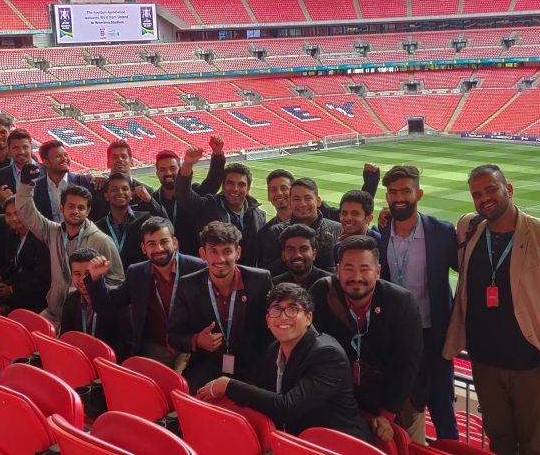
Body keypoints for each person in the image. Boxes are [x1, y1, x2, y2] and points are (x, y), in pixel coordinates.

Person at [443, 164, 540, 455]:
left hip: (531, 366)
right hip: (484, 362)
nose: (484, 198)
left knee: (535, 446)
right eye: (477, 194)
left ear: (508, 189)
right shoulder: (469, 227)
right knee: (500, 442)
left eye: (491, 189)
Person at [196, 282, 372, 442]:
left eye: (293, 309)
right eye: (276, 310)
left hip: (341, 443)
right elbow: (261, 391)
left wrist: (226, 385)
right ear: (267, 321)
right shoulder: (274, 349)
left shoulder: (327, 355)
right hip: (298, 439)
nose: (283, 317)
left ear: (309, 317)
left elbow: (286, 408)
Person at [309, 235, 423, 444]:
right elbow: (314, 352)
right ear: (338, 270)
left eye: (364, 269)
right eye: (349, 268)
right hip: (345, 399)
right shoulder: (322, 292)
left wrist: (387, 414)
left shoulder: (401, 302)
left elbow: (407, 363)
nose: (356, 276)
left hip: (395, 398)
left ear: (378, 271)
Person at [378, 165, 458, 441]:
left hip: (433, 333)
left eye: (405, 191)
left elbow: (468, 270)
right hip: (395, 335)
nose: (398, 197)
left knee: (441, 404)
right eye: (392, 192)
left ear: (419, 193)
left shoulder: (442, 232)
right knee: (397, 401)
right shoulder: (383, 233)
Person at [14, 163, 123, 329]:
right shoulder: (52, 232)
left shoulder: (103, 241)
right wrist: (25, 185)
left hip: (84, 317)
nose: (76, 211)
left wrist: (93, 289)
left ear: (88, 211)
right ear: (62, 208)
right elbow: (26, 212)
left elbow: (118, 281)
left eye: (81, 207)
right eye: (71, 206)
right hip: (53, 312)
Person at [86, 217, 206, 367]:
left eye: (164, 242)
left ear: (174, 242)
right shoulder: (136, 273)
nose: (159, 249)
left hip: (191, 348)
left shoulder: (199, 268)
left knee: (185, 386)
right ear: (143, 248)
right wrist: (96, 278)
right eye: (151, 244)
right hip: (155, 349)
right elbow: (108, 305)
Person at [168, 221, 272, 392]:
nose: (220, 259)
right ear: (203, 254)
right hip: (208, 363)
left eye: (227, 251)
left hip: (251, 366)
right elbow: (174, 335)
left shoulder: (260, 281)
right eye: (213, 252)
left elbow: (269, 335)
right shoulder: (188, 285)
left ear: (237, 253)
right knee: (189, 403)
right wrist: (197, 341)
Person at [175, 148, 266, 267]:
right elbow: (184, 196)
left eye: (241, 184)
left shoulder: (258, 215)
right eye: (230, 183)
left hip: (246, 278)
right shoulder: (208, 206)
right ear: (223, 185)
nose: (235, 189)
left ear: (248, 188)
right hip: (214, 273)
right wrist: (188, 164)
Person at [151, 137, 226, 256]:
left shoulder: (194, 193)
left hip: (194, 260)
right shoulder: (152, 200)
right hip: (164, 259)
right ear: (157, 174)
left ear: (179, 169)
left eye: (172, 168)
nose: (168, 173)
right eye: (163, 170)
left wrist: (217, 155)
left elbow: (212, 183)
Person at [62, 248, 132, 361]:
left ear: (99, 273)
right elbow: (65, 336)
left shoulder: (116, 299)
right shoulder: (71, 299)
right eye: (77, 274)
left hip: (108, 364)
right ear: (71, 276)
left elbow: (126, 345)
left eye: (88, 273)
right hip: (81, 361)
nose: (83, 279)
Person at [262, 178, 342, 275]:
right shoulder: (276, 232)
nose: (302, 204)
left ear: (318, 201)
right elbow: (268, 272)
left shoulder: (337, 229)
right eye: (296, 199)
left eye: (308, 198)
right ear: (290, 202)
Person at [96, 172, 165, 269]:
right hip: (111, 282)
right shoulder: (98, 227)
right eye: (114, 189)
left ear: (132, 195)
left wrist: (151, 201)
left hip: (141, 280)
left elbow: (166, 224)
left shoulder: (146, 220)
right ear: (106, 196)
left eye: (124, 189)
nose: (120, 192)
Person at [0, 196, 51, 313]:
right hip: (17, 285)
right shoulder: (12, 234)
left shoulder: (41, 237)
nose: (13, 218)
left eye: (18, 213)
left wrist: (12, 289)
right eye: (8, 214)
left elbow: (42, 278)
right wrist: (0, 276)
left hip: (37, 295)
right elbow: (14, 264)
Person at [89, 140, 154, 221]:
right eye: (114, 157)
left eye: (123, 156)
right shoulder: (96, 191)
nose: (119, 159)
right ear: (108, 163)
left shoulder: (148, 193)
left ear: (132, 162)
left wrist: (151, 201)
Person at [34, 140, 91, 222]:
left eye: (65, 155)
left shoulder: (82, 182)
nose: (64, 159)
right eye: (58, 156)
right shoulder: (36, 187)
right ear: (46, 162)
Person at [256, 169, 295, 266]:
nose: (279, 193)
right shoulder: (264, 234)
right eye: (273, 190)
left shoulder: (310, 223)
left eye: (284, 188)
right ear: (268, 196)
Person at [0, 128, 41, 205]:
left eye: (25, 147)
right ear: (9, 150)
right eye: (15, 148)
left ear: (31, 148)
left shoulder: (47, 172)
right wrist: (3, 201)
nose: (21, 152)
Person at [334, 190, 380, 264]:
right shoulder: (338, 247)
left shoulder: (382, 244)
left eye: (355, 214)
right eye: (344, 213)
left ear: (369, 218)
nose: (348, 218)